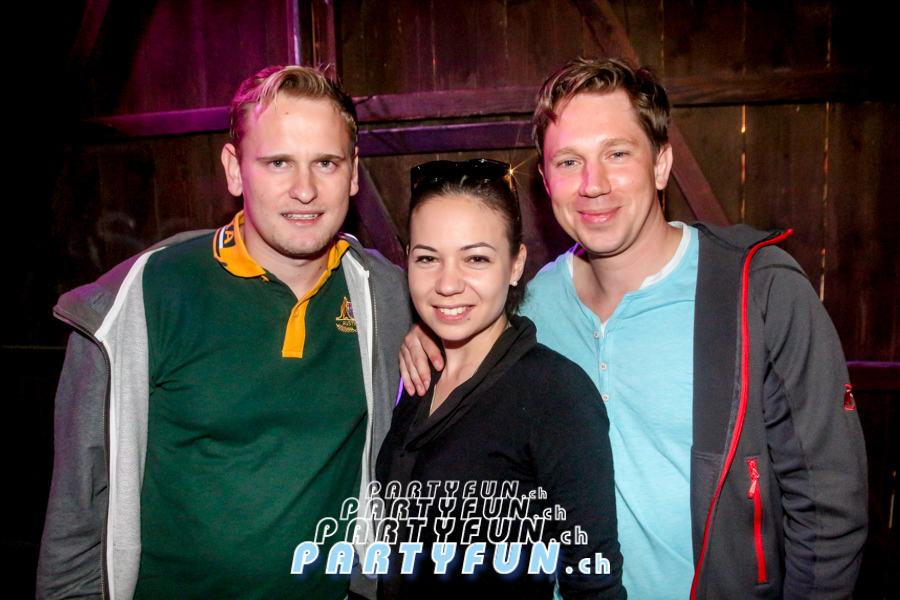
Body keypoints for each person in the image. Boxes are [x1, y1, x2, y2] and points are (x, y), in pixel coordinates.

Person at [400, 59, 867, 599]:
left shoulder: (758, 292)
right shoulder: (534, 304)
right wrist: (431, 332)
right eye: (569, 161)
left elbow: (829, 507)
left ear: (661, 164)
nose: (593, 185)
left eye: (617, 154)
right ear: (546, 181)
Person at [37, 65, 411, 600]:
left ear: (353, 174)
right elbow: (75, 521)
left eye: (326, 163)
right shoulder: (141, 300)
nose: (305, 190)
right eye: (278, 162)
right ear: (235, 170)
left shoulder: (386, 295)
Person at [377, 159, 625, 599]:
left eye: (475, 258)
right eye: (428, 258)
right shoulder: (419, 372)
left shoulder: (555, 394)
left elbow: (593, 581)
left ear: (515, 265)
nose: (447, 284)